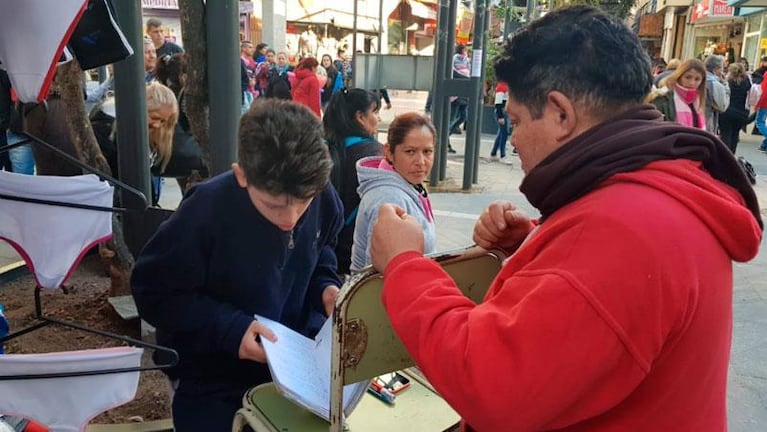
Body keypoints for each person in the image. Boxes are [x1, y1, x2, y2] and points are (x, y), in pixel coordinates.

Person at [367, 6, 762, 431]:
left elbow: (494, 387)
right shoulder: (664, 185)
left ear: (560, 113)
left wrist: (404, 265)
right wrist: (538, 241)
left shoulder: (623, 231)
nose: (513, 139)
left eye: (516, 120)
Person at [131, 99, 343, 430]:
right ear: (241, 175)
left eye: (304, 203)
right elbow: (153, 292)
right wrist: (231, 330)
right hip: (212, 374)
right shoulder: (205, 211)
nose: (290, 220)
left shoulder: (322, 193)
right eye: (273, 206)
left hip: (296, 369)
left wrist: (326, 288)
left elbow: (323, 249)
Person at [351, 112, 436, 273]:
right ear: (389, 152)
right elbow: (376, 276)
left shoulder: (408, 184)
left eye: (427, 152)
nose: (420, 162)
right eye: (410, 151)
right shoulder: (388, 198)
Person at [324, 88, 382, 275]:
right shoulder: (375, 155)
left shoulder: (326, 147)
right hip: (358, 256)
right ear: (359, 117)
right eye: (375, 111)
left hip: (327, 254)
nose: (378, 119)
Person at [647, 59, 707, 130]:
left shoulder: (698, 101)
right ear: (679, 76)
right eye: (688, 77)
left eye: (697, 79)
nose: (692, 83)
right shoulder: (663, 98)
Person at [718, 62, 750, 153]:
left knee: (726, 134)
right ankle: (732, 154)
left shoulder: (728, 81)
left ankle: (725, 154)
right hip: (741, 113)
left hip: (727, 111)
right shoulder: (747, 82)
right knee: (735, 134)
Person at [703, 54, 730, 134]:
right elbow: (722, 106)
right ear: (716, 69)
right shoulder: (715, 84)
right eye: (722, 68)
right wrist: (725, 85)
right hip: (707, 122)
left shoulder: (699, 77)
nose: (722, 71)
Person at [491, 81, 512, 164]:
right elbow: (498, 102)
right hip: (502, 112)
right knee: (504, 133)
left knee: (501, 133)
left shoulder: (505, 86)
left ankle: (494, 153)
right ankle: (502, 155)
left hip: (503, 112)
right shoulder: (502, 86)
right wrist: (500, 116)